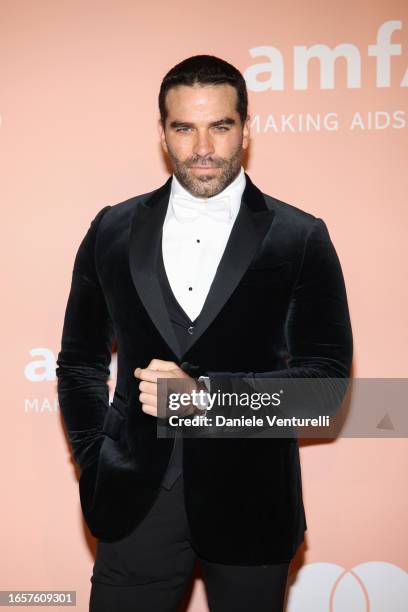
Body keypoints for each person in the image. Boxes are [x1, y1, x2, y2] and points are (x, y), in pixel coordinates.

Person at [56, 54, 353, 612]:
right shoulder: (111, 229)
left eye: (220, 126)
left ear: (246, 126)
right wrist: (96, 459)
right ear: (162, 131)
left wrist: (207, 398)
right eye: (183, 127)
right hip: (133, 500)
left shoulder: (300, 236)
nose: (203, 148)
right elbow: (77, 363)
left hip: (253, 503)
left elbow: (328, 386)